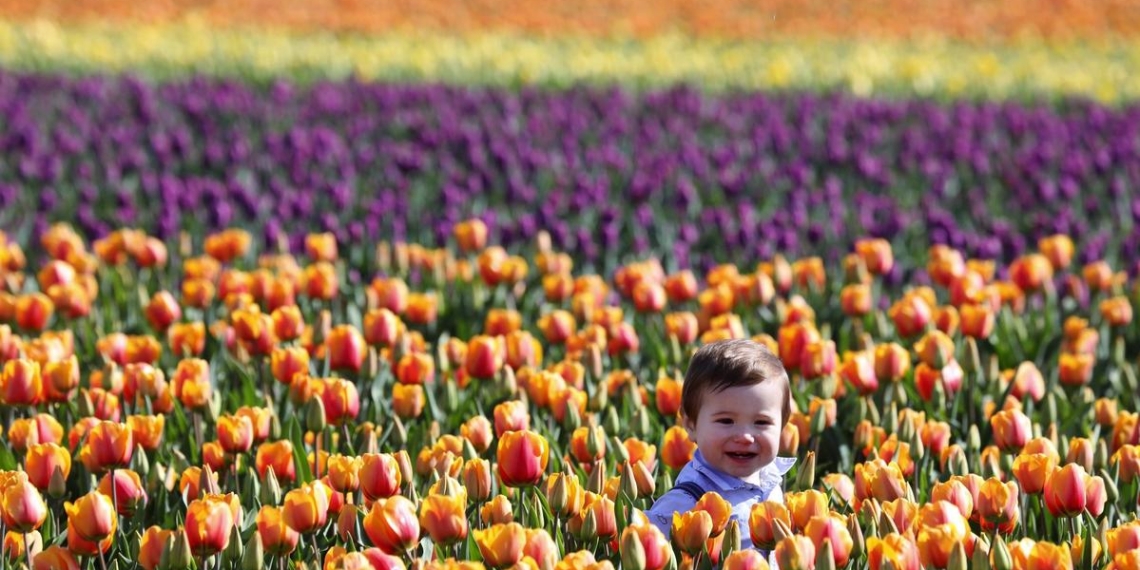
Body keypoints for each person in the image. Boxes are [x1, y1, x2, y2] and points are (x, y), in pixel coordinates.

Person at [646, 338, 796, 554]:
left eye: (761, 422)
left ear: (783, 425)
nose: (745, 436)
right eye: (726, 421)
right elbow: (645, 550)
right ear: (691, 425)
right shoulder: (687, 502)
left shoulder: (770, 478)